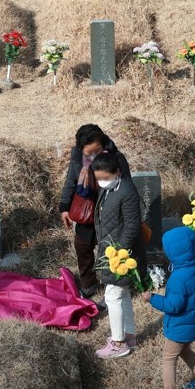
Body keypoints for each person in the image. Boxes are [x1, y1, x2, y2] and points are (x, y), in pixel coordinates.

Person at [59, 124, 132, 299]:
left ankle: (114, 286)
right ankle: (88, 284)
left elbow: (127, 188)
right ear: (80, 148)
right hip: (86, 209)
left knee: (110, 248)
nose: (93, 156)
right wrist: (64, 207)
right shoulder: (77, 156)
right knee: (82, 245)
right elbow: (71, 179)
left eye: (97, 151)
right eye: (89, 153)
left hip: (109, 211)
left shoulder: (117, 158)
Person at [143, 226, 195, 389]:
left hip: (180, 327)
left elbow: (172, 305)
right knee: (185, 351)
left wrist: (153, 298)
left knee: (169, 358)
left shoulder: (178, 279)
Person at [90, 151, 144, 359]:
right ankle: (129, 335)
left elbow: (131, 226)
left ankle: (119, 342)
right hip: (110, 250)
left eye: (105, 177)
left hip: (120, 255)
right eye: (98, 178)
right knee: (123, 295)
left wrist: (119, 253)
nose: (102, 182)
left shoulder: (127, 191)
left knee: (112, 296)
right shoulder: (110, 189)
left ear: (117, 172)